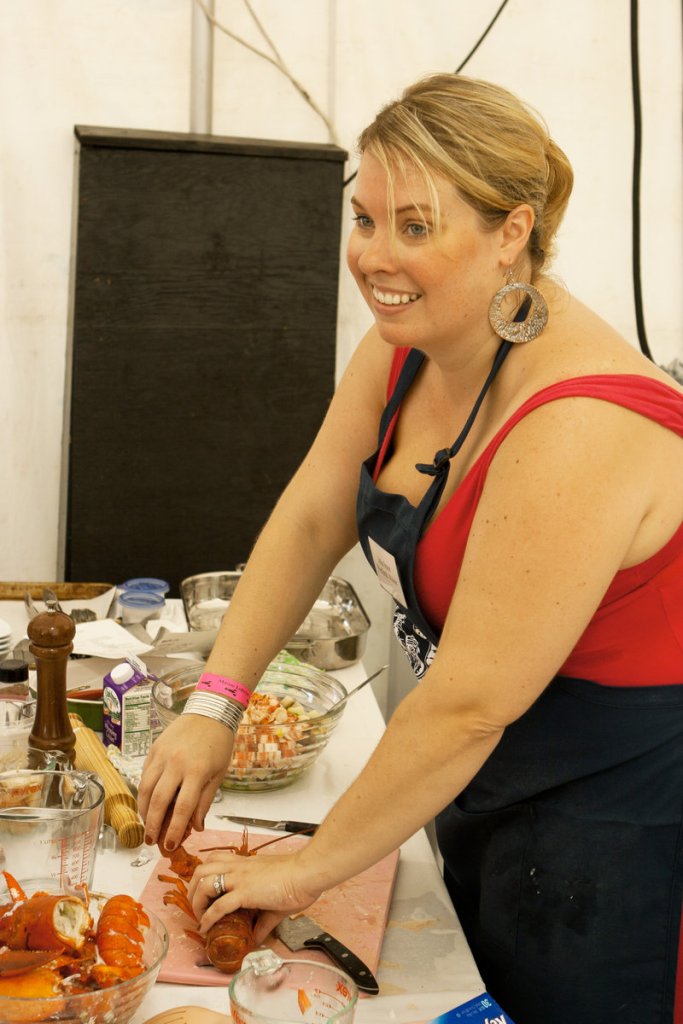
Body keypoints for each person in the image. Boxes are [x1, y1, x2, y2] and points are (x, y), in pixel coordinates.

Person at [138, 73, 683, 1023]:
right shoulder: (406, 344)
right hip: (478, 794)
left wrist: (306, 871)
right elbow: (313, 515)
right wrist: (215, 703)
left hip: (616, 836)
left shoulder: (581, 423)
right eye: (364, 217)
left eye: (416, 227)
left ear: (511, 231)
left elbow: (469, 704)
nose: (373, 256)